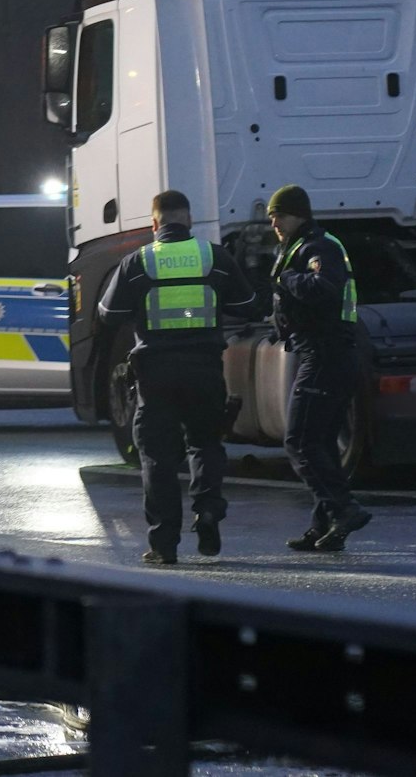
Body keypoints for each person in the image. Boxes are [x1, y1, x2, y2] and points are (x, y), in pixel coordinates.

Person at [95, 191, 257, 565]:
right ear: (189, 219)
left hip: (155, 373)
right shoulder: (214, 257)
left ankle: (164, 544)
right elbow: (248, 306)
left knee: (157, 457)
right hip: (204, 368)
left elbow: (108, 314)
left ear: (154, 223)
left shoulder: (138, 261)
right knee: (206, 443)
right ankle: (208, 510)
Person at [267, 184, 372, 552]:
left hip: (326, 354)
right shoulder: (299, 246)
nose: (274, 223)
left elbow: (323, 287)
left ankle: (344, 509)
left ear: (299, 214)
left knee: (299, 441)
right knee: (322, 442)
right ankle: (323, 525)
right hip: (326, 352)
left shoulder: (319, 247)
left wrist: (287, 279)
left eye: (279, 215)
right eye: (272, 217)